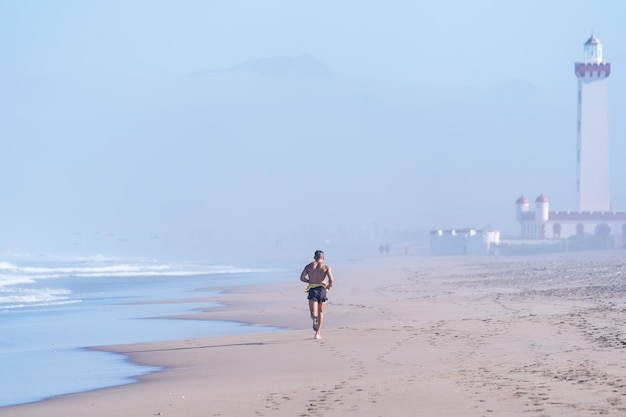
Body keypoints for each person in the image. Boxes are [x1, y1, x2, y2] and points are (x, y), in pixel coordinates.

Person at [300, 250, 334, 339]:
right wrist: (329, 286)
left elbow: (302, 278)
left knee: (313, 312)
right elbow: (331, 279)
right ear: (323, 258)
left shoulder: (309, 266)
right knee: (321, 312)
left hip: (312, 289)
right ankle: (317, 333)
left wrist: (310, 281)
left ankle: (314, 317)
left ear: (314, 257)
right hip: (322, 289)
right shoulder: (326, 267)